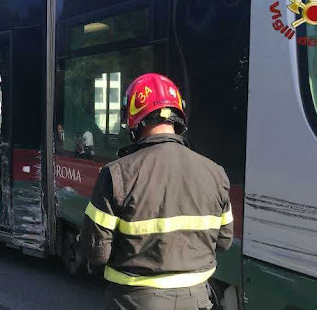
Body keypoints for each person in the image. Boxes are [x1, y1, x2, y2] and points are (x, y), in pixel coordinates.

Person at [79, 73, 233, 310]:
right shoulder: (216, 173)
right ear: (178, 115)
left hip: (134, 300)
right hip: (198, 300)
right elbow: (223, 242)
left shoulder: (116, 174)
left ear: (133, 116)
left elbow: (96, 252)